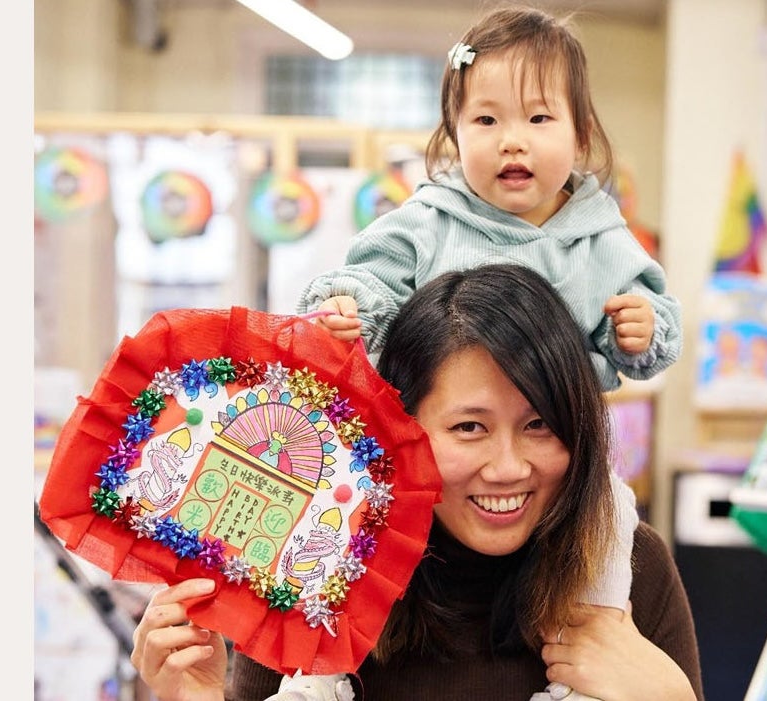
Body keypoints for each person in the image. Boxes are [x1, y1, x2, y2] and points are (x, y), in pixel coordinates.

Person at [295, 6, 682, 699]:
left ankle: (584, 659)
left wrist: (642, 327)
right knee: (348, 517)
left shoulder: (599, 234)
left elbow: (655, 319)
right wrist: (345, 307)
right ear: (451, 136)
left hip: (581, 478)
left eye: (538, 120)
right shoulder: (430, 219)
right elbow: (367, 275)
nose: (513, 143)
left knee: (614, 517)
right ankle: (319, 673)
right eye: (486, 121)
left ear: (582, 134)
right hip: (401, 476)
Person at [130, 264, 703, 701]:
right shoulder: (313, 564)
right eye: (469, 427)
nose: (507, 467)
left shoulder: (629, 568)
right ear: (402, 428)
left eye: (539, 425)